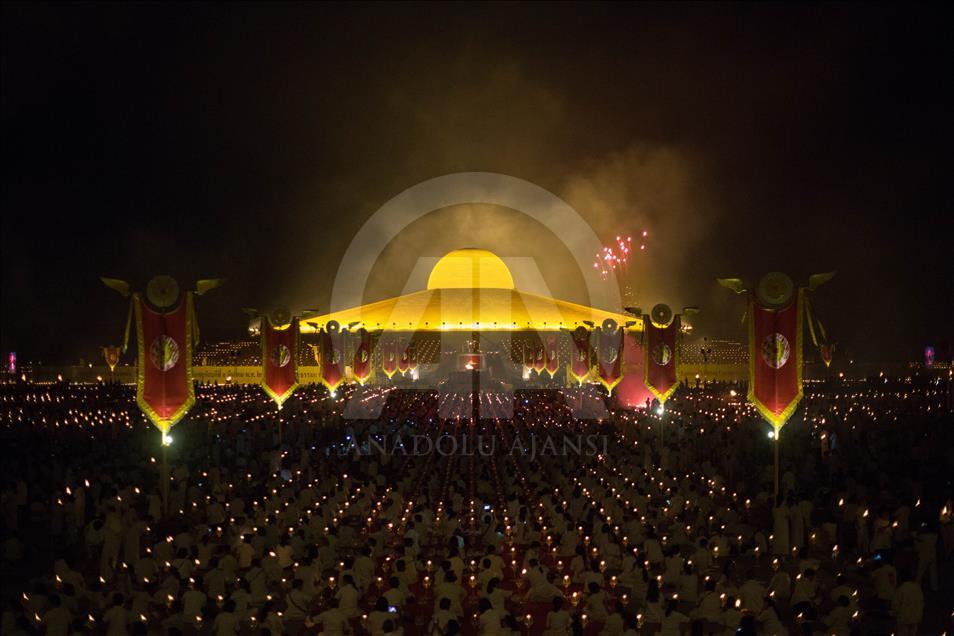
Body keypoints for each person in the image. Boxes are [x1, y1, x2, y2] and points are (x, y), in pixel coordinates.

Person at [891, 568, 924, 636]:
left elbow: (896, 605)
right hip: (916, 617)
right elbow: (921, 602)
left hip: (904, 619)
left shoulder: (902, 589)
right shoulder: (918, 588)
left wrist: (894, 613)